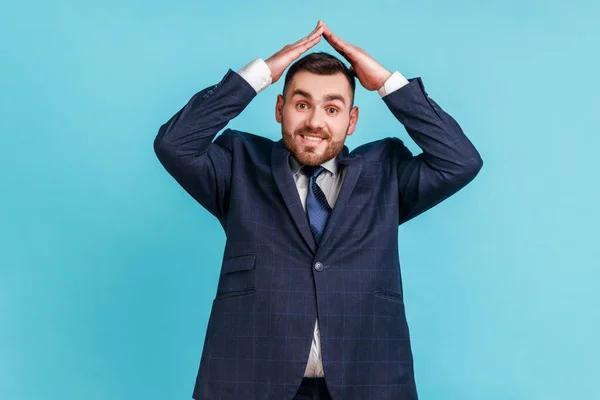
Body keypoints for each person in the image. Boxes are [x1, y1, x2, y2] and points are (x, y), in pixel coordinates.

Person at [154, 20, 483, 400]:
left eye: (332, 108)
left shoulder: (386, 173)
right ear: (280, 108)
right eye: (301, 104)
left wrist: (386, 84)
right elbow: (174, 144)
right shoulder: (238, 165)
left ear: (352, 120)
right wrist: (261, 74)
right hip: (249, 383)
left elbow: (460, 161)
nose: (315, 121)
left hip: (367, 385)